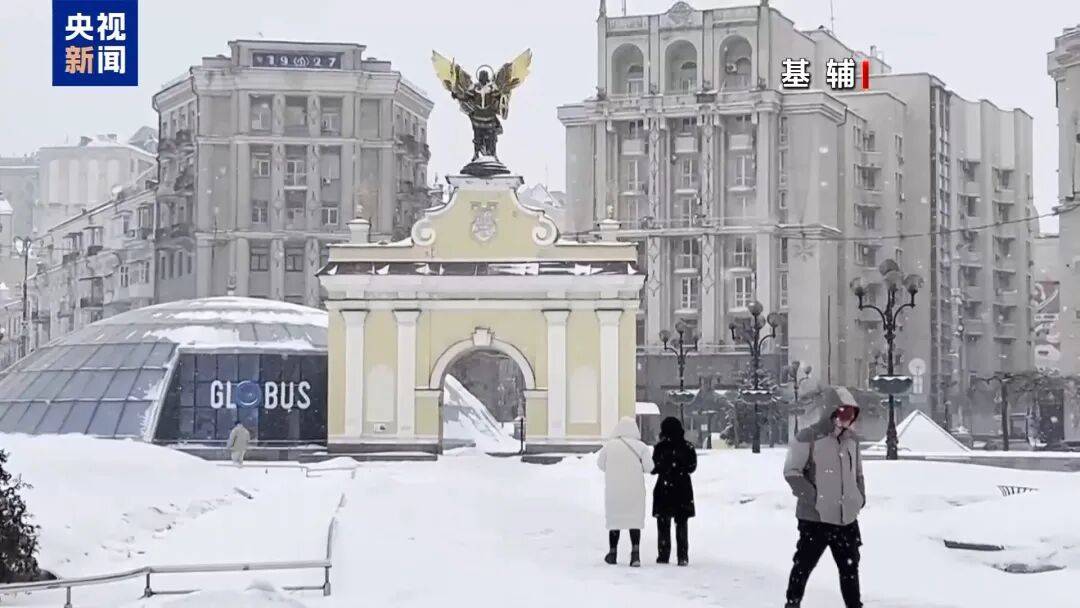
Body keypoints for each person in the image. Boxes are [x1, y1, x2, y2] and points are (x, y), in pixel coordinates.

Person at [783, 396, 866, 608]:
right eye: (842, 414)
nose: (846, 420)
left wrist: (859, 497)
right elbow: (792, 472)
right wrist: (814, 499)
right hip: (815, 518)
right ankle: (792, 603)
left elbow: (857, 474)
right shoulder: (808, 438)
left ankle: (854, 605)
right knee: (803, 564)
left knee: (849, 568)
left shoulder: (852, 441)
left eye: (850, 415)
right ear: (831, 412)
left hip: (846, 518)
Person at [597, 416, 651, 567]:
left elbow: (600, 464)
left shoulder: (609, 446)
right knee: (634, 522)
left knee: (615, 521)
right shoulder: (641, 447)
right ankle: (635, 554)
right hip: (635, 491)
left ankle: (613, 553)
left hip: (615, 490)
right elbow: (649, 467)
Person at [651, 416, 697, 566]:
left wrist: (665, 469)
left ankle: (663, 554)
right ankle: (682, 556)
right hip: (682, 489)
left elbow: (654, 467)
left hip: (664, 489)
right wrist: (680, 469)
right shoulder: (688, 447)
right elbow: (692, 467)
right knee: (682, 523)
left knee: (663, 524)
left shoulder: (660, 447)